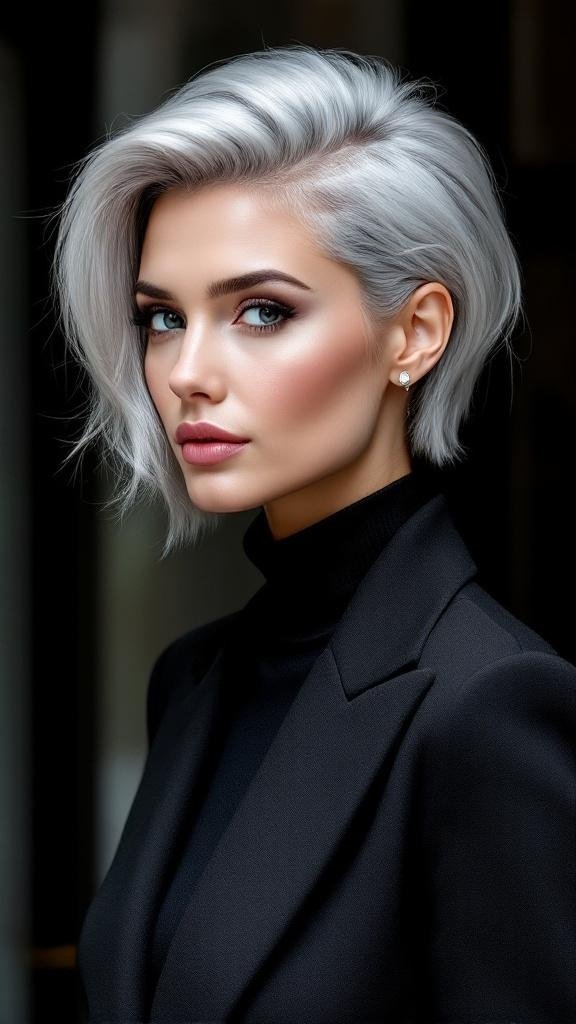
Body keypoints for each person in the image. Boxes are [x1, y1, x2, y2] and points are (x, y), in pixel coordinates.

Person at [50, 43, 576, 1024]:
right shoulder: (196, 681)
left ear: (414, 332)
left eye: (259, 310)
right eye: (161, 318)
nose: (187, 373)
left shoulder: (490, 704)